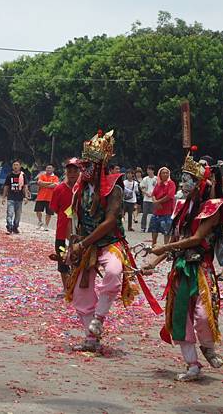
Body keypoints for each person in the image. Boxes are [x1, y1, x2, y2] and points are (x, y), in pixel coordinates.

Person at [65, 130, 159, 352]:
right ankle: (91, 337)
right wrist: (73, 246)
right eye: (82, 165)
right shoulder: (79, 189)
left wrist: (83, 243)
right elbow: (76, 219)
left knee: (114, 272)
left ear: (98, 166)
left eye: (86, 165)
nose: (82, 169)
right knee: (79, 293)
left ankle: (99, 318)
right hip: (86, 245)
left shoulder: (114, 187)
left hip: (109, 243)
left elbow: (109, 223)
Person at [142, 151, 223, 381]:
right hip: (181, 268)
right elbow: (174, 241)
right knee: (180, 317)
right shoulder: (181, 207)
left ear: (200, 183)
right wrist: (153, 262)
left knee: (201, 315)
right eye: (182, 179)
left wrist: (163, 249)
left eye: (187, 179)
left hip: (201, 269)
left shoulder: (213, 209)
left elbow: (196, 239)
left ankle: (207, 347)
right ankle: (192, 364)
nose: (182, 184)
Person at [49, 158, 80, 292]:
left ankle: (76, 287)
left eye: (75, 170)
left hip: (80, 234)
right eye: (69, 170)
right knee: (62, 261)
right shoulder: (59, 189)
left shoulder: (83, 189)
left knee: (79, 261)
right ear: (66, 172)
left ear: (80, 172)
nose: (72, 173)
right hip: (62, 233)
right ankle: (67, 289)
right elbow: (54, 208)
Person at [149, 166, 176, 246]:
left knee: (166, 231)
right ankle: (153, 244)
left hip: (167, 212)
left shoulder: (171, 183)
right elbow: (153, 194)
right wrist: (155, 202)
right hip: (157, 211)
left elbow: (169, 196)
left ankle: (166, 247)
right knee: (154, 229)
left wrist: (158, 202)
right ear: (159, 175)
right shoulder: (158, 184)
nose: (165, 174)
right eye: (163, 173)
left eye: (167, 173)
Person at [2, 160, 29, 234]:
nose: (15, 166)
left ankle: (15, 227)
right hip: (11, 197)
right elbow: (6, 187)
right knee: (10, 213)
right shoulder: (9, 175)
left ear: (20, 166)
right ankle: (9, 227)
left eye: (17, 165)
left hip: (19, 198)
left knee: (18, 215)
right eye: (14, 165)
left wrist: (26, 197)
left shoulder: (23, 176)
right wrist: (4, 197)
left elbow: (25, 187)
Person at [35, 164, 59, 231]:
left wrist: (44, 184)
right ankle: (40, 221)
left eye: (50, 168)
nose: (48, 169)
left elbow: (54, 185)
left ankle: (46, 225)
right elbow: (39, 182)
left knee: (49, 213)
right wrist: (49, 183)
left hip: (50, 198)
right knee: (37, 210)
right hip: (40, 197)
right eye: (47, 168)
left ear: (53, 169)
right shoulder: (42, 175)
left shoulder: (55, 177)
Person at [140, 165, 157, 232]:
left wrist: (153, 194)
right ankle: (143, 227)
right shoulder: (145, 179)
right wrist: (146, 193)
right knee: (145, 213)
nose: (149, 171)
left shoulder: (156, 179)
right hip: (146, 199)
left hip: (154, 199)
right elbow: (142, 187)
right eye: (148, 170)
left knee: (154, 214)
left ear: (153, 171)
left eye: (150, 170)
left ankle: (152, 227)